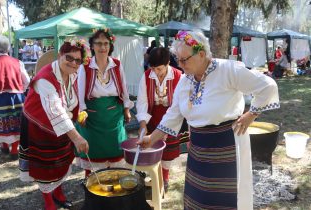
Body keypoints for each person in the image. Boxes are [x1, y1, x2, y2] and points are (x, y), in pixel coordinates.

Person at [137, 30, 280, 210]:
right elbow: (172, 115)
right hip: (198, 150)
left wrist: (251, 114)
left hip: (227, 147)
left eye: (184, 60)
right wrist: (151, 139)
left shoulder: (228, 70)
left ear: (202, 54)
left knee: (227, 201)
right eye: (178, 59)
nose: (179, 64)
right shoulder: (185, 81)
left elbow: (267, 86)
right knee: (199, 200)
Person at [19, 39, 89, 210]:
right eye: (69, 58)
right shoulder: (45, 78)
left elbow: (69, 101)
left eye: (77, 60)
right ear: (60, 55)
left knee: (60, 161)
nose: (73, 63)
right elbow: (56, 111)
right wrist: (77, 137)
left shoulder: (73, 74)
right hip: (39, 125)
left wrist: (78, 114)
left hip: (62, 126)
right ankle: (48, 201)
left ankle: (58, 191)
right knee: (45, 165)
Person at [76, 28, 133, 176]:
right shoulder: (85, 66)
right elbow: (80, 91)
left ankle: (115, 179)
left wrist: (126, 109)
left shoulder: (117, 65)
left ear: (110, 45)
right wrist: (82, 111)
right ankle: (92, 185)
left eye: (106, 43)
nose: (102, 47)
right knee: (94, 150)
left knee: (116, 148)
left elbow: (124, 89)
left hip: (114, 114)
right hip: (92, 116)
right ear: (92, 46)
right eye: (99, 43)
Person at [136, 47, 188, 191]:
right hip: (153, 117)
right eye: (153, 68)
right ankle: (155, 175)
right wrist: (142, 123)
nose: (155, 72)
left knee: (167, 152)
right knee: (153, 148)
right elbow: (142, 102)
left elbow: (181, 104)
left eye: (159, 69)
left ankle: (164, 177)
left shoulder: (179, 76)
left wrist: (167, 127)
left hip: (173, 117)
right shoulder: (146, 76)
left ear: (168, 63)